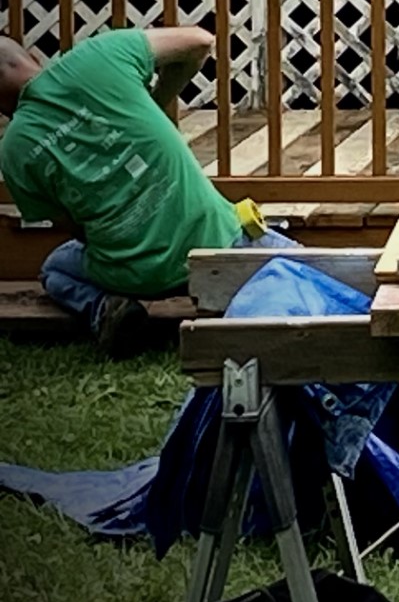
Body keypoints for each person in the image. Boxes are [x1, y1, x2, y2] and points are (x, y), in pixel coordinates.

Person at [0, 27, 294, 357]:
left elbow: (74, 229)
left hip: (130, 275)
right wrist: (157, 100)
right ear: (35, 57)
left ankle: (105, 309)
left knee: (55, 268)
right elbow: (201, 41)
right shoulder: (99, 56)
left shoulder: (14, 150)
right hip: (215, 242)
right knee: (311, 269)